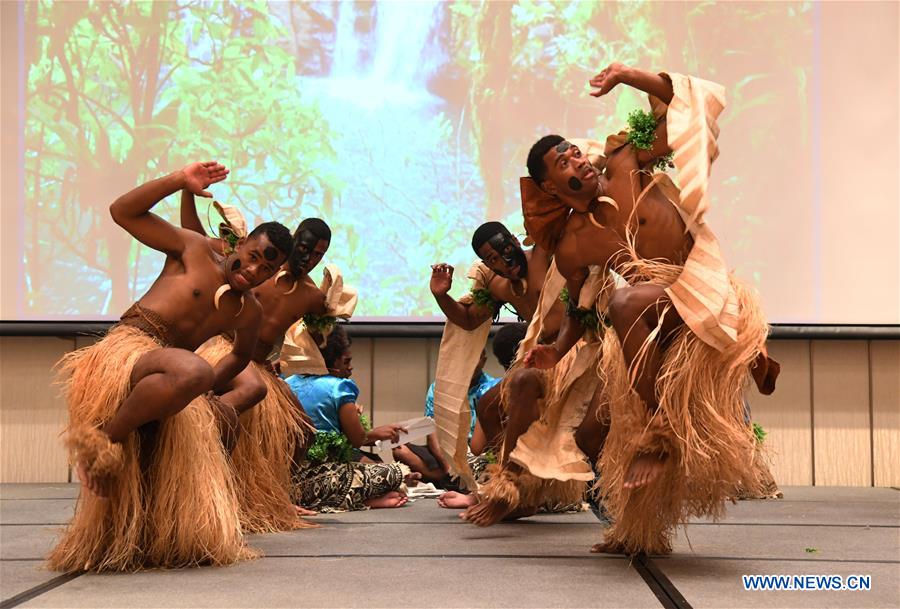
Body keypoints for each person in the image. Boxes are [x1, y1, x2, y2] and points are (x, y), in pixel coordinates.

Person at [518, 62, 780, 554]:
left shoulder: (624, 160)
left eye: (575, 152)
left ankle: (663, 427)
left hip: (697, 290)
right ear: (551, 188)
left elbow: (684, 102)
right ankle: (634, 530)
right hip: (649, 322)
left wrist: (626, 74)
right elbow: (579, 308)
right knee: (594, 432)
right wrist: (555, 351)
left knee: (624, 299)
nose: (578, 162)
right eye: (564, 164)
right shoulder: (573, 246)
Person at [48, 162, 293, 572]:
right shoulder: (193, 250)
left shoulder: (248, 312)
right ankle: (102, 441)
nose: (252, 271)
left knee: (180, 410)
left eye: (265, 269)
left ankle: (136, 542)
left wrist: (208, 391)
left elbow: (239, 356)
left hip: (171, 371)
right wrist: (179, 181)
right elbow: (122, 211)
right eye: (251, 257)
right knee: (194, 374)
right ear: (241, 242)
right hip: (129, 349)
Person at [182, 194, 332, 532]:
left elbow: (318, 335)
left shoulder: (312, 295)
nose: (310, 257)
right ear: (295, 242)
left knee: (304, 431)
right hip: (227, 348)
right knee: (251, 392)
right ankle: (200, 457)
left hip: (261, 362)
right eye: (306, 248)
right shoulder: (261, 265)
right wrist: (187, 193)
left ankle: (276, 494)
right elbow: (197, 242)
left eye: (319, 254)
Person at [285, 325, 417, 511]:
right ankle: (362, 500)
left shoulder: (286, 382)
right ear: (330, 362)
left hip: (286, 481)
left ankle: (359, 498)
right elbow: (358, 439)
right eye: (346, 361)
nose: (350, 367)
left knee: (370, 465)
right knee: (394, 472)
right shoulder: (339, 387)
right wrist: (380, 433)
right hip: (324, 477)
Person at [412, 349, 499, 483]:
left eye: (474, 359)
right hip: (446, 452)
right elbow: (432, 432)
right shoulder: (438, 388)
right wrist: (448, 467)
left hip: (479, 453)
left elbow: (492, 438)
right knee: (401, 450)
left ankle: (455, 479)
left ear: (483, 361)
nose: (468, 365)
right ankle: (452, 477)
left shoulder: (492, 388)